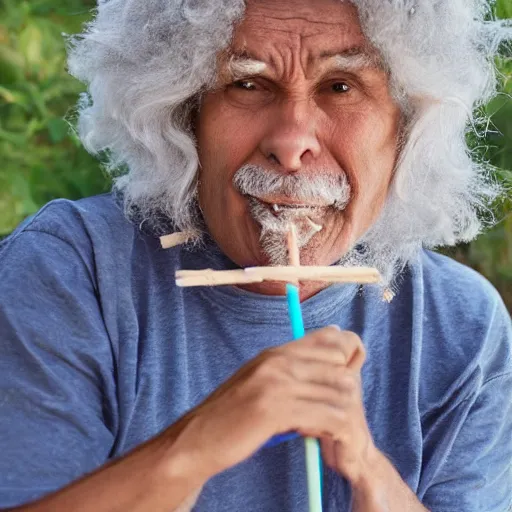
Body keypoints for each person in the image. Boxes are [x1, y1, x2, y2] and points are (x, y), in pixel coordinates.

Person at [0, 0, 511, 510]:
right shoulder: (74, 271)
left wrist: (369, 473)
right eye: (247, 84)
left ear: (406, 128)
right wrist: (196, 445)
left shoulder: (463, 329)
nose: (291, 142)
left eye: (340, 87)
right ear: (185, 114)